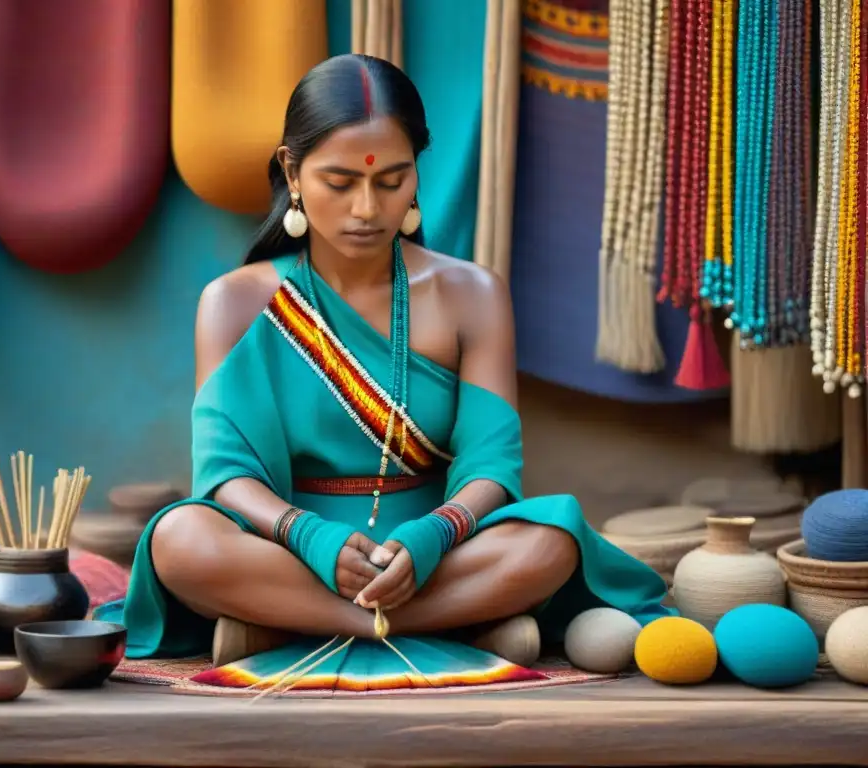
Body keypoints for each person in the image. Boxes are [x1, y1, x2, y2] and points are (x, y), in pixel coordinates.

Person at [95, 54, 670, 680]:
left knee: (551, 538)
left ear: (416, 175)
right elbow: (224, 475)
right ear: (292, 171)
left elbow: (491, 466)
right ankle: (455, 622)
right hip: (285, 547)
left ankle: (283, 623)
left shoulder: (471, 294)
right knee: (181, 540)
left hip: (437, 549)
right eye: (340, 183)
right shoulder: (234, 303)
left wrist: (434, 536)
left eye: (391, 181)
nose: (367, 208)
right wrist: (307, 535)